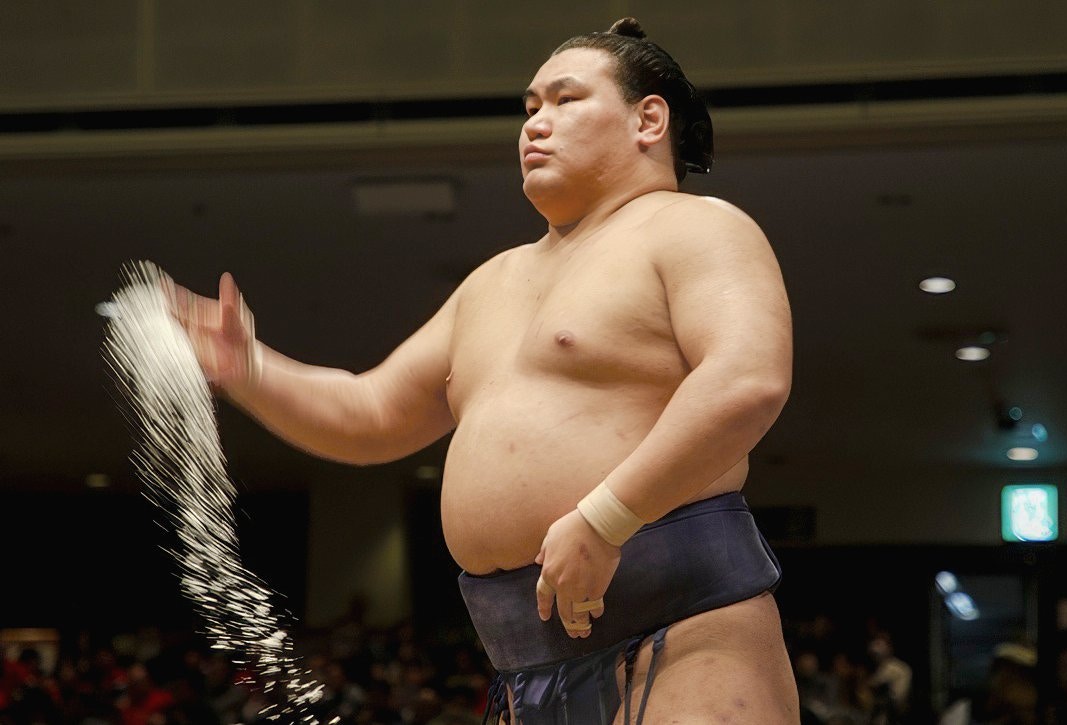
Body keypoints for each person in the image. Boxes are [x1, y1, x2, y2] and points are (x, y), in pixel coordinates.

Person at [170, 16, 794, 724]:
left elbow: (746, 380)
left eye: (565, 100)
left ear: (648, 119)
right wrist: (250, 368)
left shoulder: (696, 228)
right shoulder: (491, 282)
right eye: (529, 109)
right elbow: (371, 414)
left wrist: (606, 517)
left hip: (686, 634)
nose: (535, 124)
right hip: (522, 665)